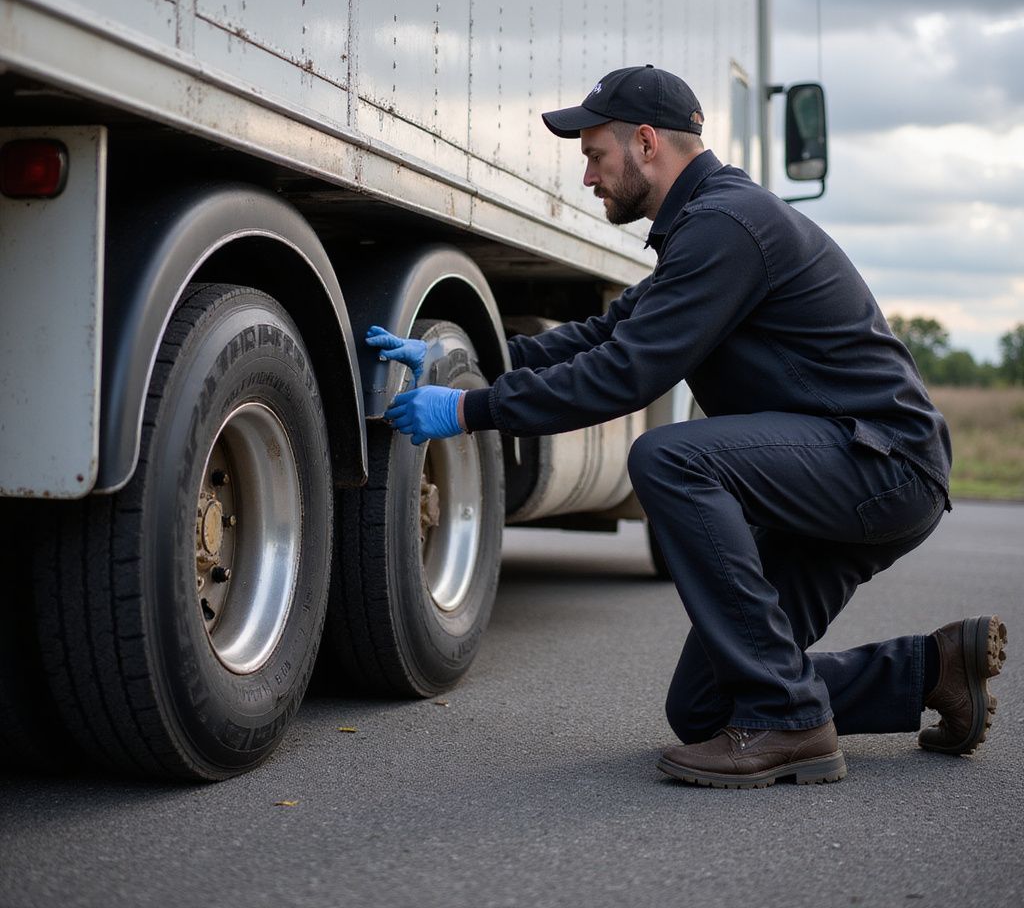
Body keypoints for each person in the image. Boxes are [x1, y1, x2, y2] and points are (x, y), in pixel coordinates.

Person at [367, 65, 1008, 789]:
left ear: (646, 143)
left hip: (880, 464)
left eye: (594, 154)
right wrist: (468, 358)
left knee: (671, 459)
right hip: (845, 470)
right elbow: (608, 335)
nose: (587, 177)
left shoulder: (726, 227)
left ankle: (791, 722)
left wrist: (466, 410)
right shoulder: (707, 226)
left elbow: (625, 375)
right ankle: (932, 671)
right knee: (703, 706)